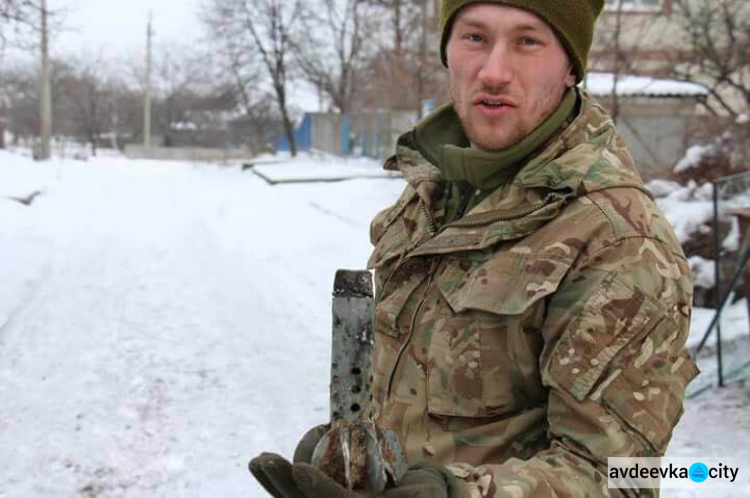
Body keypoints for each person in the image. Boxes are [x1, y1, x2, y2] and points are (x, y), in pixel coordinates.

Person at [250, 0, 699, 496]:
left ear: (571, 65)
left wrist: (455, 493)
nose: (493, 71)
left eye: (527, 41)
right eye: (475, 38)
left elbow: (621, 478)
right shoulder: (436, 188)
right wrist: (358, 458)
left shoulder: (616, 239)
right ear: (448, 52)